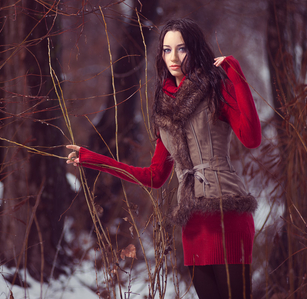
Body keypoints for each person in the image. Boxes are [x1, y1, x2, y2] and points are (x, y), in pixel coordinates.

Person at [66, 18, 261, 299]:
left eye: (181, 49)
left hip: (227, 212)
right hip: (192, 221)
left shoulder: (217, 91)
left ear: (194, 50)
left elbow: (252, 138)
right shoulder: (164, 112)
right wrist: (93, 159)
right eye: (167, 50)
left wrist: (237, 75)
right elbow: (155, 177)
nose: (173, 57)